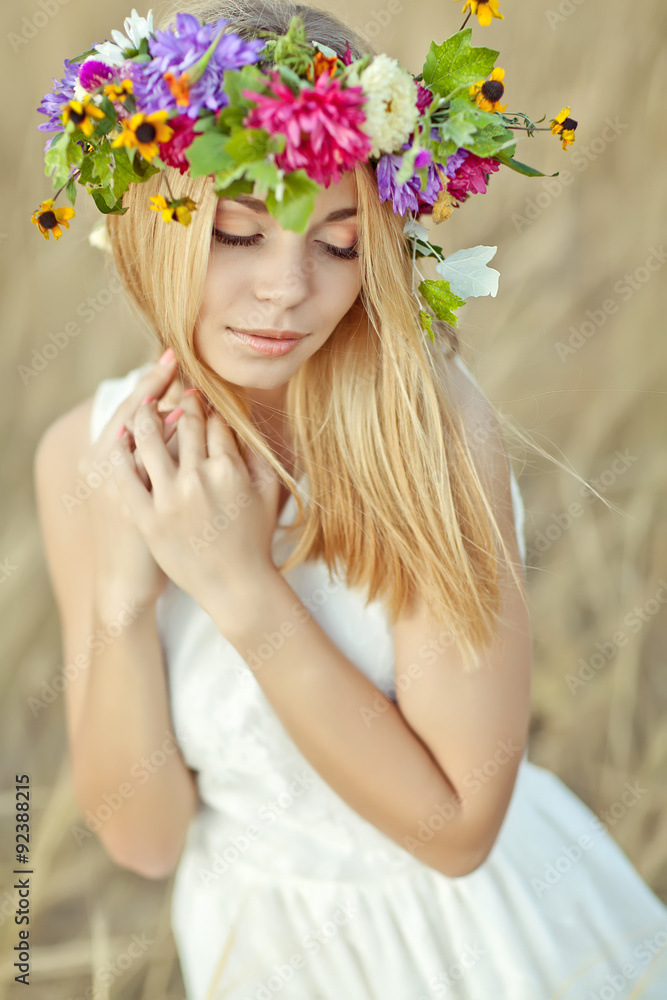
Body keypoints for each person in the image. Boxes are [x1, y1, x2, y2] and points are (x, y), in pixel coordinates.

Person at [33, 2, 667, 998]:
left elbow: (457, 831)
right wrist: (122, 597)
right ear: (156, 219)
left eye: (337, 245)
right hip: (259, 951)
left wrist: (238, 586)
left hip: (478, 948)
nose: (289, 290)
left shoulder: (425, 429)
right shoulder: (89, 455)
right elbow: (144, 838)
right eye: (240, 233)